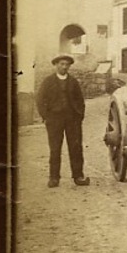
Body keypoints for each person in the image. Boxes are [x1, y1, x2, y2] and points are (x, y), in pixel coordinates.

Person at [35, 54, 89, 187]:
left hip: (72, 119)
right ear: (56, 65)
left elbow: (80, 100)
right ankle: (54, 178)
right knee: (55, 148)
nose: (64, 67)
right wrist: (46, 117)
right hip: (54, 119)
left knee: (75, 147)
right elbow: (40, 100)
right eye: (61, 64)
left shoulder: (73, 82)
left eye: (67, 65)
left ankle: (78, 176)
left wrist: (79, 116)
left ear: (69, 66)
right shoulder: (48, 81)